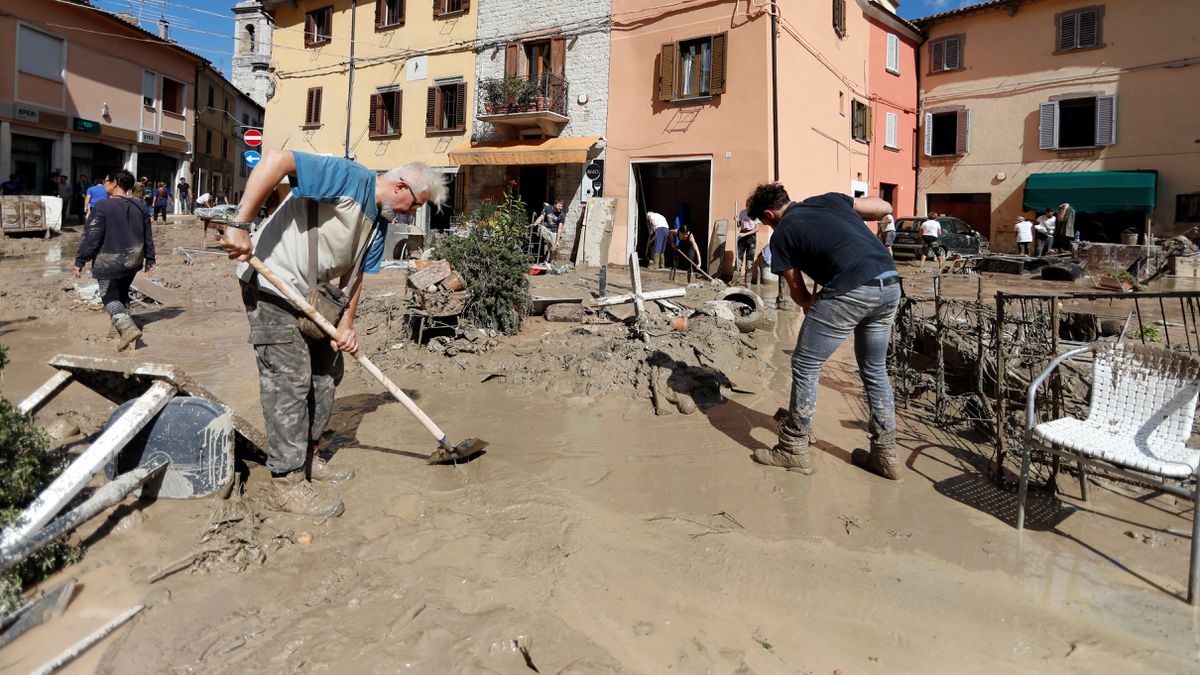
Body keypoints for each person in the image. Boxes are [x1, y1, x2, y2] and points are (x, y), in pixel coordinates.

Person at [219, 149, 447, 518]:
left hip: (316, 298)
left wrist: (346, 324)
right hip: (273, 286)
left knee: (326, 374)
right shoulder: (347, 176)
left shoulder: (379, 222)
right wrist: (239, 224)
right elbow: (275, 161)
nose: (411, 213)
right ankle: (287, 482)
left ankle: (308, 459)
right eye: (415, 204)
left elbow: (355, 277)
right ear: (401, 187)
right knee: (289, 380)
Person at [745, 183, 902, 479]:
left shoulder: (783, 233)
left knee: (806, 363)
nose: (767, 226)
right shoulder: (829, 200)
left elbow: (797, 290)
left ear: (769, 214)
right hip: (889, 284)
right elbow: (884, 207)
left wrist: (808, 303)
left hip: (850, 286)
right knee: (875, 369)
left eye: (765, 222)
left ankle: (792, 448)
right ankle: (886, 454)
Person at [73, 170, 155, 351]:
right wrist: (150, 258)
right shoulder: (140, 205)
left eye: (107, 181)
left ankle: (127, 329)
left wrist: (80, 261)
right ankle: (117, 332)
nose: (105, 184)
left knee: (109, 297)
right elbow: (147, 234)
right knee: (123, 294)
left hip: (109, 260)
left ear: (115, 183)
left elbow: (91, 237)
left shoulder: (102, 207)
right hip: (134, 259)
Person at [532, 199, 565, 263]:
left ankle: (551, 260)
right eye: (559, 206)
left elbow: (560, 229)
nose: (560, 208)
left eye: (562, 206)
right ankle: (545, 259)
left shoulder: (562, 215)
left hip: (554, 231)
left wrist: (556, 241)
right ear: (555, 205)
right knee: (541, 229)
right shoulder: (548, 208)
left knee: (555, 246)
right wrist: (536, 223)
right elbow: (541, 217)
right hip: (546, 228)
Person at [735, 209, 758, 282]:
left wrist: (745, 234)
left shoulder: (755, 213)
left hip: (751, 237)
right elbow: (738, 225)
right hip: (742, 236)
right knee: (738, 257)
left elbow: (756, 229)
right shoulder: (742, 212)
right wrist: (736, 220)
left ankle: (748, 282)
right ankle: (735, 280)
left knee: (750, 259)